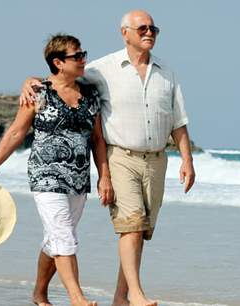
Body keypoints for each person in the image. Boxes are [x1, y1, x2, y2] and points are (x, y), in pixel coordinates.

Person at [20, 10, 195, 306]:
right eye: (142, 28)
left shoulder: (166, 72)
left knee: (140, 230)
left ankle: (119, 298)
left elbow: (179, 121)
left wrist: (187, 160)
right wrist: (31, 80)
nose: (149, 32)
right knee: (132, 225)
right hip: (120, 156)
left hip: (156, 160)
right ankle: (131, 295)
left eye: (153, 28)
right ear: (124, 33)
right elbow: (60, 74)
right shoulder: (102, 70)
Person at [0, 34, 114, 306]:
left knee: (57, 239)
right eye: (77, 56)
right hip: (46, 176)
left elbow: (98, 139)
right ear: (58, 62)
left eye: (83, 54)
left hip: (78, 179)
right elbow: (17, 132)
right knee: (64, 235)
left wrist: (104, 176)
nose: (83, 59)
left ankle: (39, 294)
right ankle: (77, 299)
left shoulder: (90, 94)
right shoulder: (38, 93)